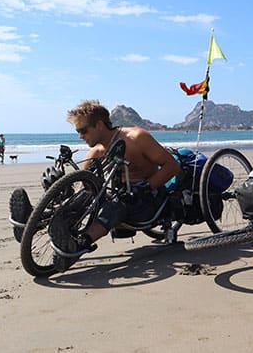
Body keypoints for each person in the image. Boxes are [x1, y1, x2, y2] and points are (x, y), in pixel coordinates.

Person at [50, 100, 181, 258]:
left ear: (99, 125)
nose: (80, 136)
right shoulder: (97, 150)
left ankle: (80, 243)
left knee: (116, 206)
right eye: (78, 131)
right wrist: (62, 191)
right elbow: (83, 185)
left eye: (83, 130)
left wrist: (146, 187)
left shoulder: (137, 138)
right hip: (120, 195)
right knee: (87, 195)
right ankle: (35, 223)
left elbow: (172, 166)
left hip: (148, 199)